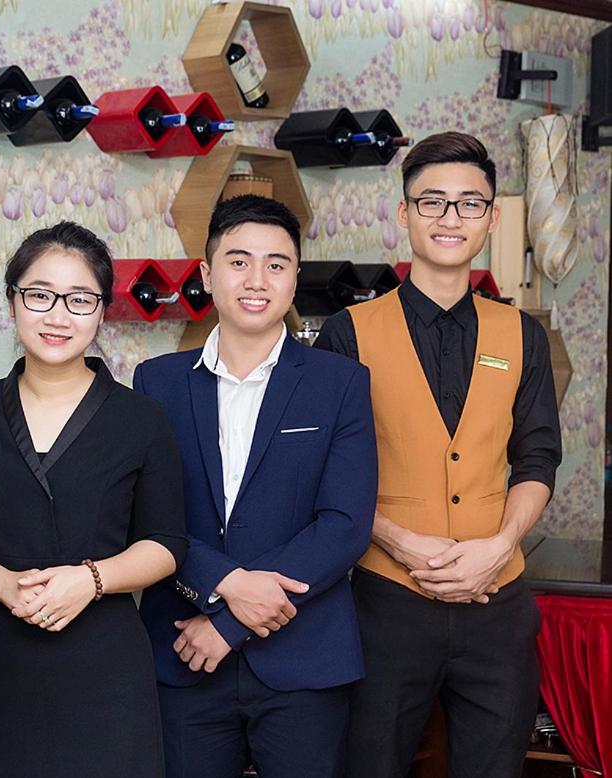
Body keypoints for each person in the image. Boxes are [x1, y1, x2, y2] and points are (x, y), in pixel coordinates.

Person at [313, 132, 562, 777]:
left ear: (491, 219)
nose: (451, 217)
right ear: (404, 213)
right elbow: (325, 474)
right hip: (383, 603)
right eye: (433, 201)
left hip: (496, 603)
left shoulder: (523, 335)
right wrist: (402, 543)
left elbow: (538, 459)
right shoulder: (347, 333)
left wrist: (499, 546)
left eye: (469, 203)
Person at [133, 195, 377, 778]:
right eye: (239, 261)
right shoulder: (157, 382)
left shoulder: (340, 382)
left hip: (304, 659)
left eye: (276, 264)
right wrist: (224, 584)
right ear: (207, 273)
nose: (257, 280)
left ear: (295, 278)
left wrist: (230, 621)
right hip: (183, 653)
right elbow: (149, 513)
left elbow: (344, 524)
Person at [0, 221, 189, 778]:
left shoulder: (141, 418)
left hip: (103, 669)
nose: (57, 316)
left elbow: (167, 543)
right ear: (12, 301)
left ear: (101, 311)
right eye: (40, 295)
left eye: (79, 299)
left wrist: (90, 579)